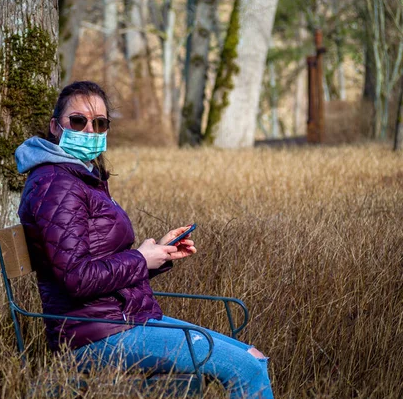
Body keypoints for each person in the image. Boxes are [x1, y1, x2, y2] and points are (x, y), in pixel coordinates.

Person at [15, 81, 273, 398]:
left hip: (121, 321)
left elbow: (96, 265)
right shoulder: (57, 184)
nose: (89, 130)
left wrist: (157, 255)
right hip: (96, 335)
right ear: (56, 127)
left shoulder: (77, 177)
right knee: (247, 368)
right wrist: (140, 259)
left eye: (100, 123)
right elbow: (76, 278)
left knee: (253, 358)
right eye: (78, 120)